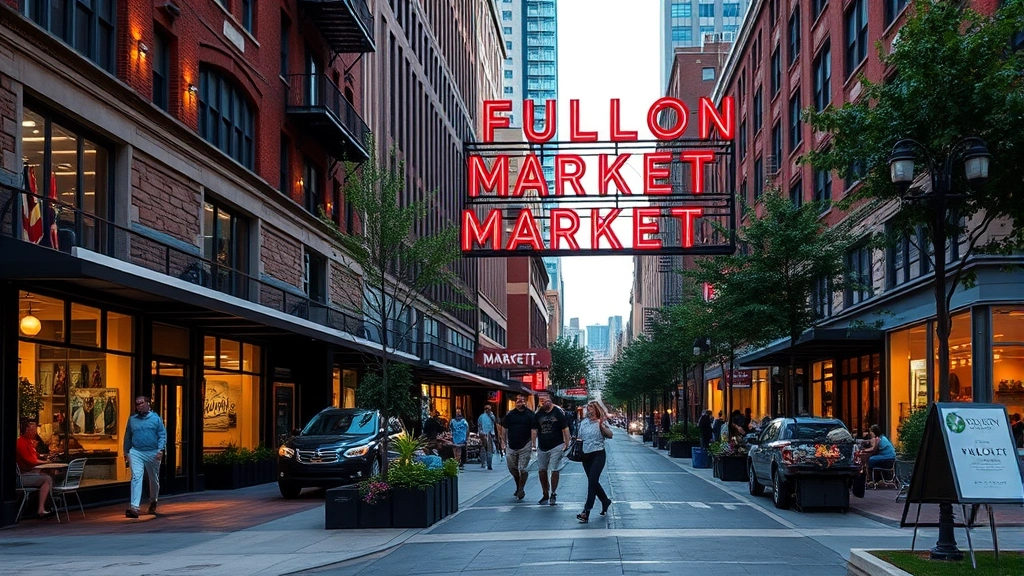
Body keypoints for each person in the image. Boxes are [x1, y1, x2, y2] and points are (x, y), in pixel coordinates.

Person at [124, 396, 167, 518]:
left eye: (142, 403)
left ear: (148, 404)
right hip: (136, 451)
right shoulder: (132, 420)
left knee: (153, 478)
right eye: (137, 404)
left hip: (152, 452)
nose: (139, 406)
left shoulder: (156, 419)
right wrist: (126, 452)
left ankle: (153, 500)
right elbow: (128, 436)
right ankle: (134, 506)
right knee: (137, 477)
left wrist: (160, 450)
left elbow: (162, 434)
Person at [576, 401, 614, 523]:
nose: (589, 410)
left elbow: (610, 435)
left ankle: (586, 511)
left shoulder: (601, 421)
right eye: (588, 408)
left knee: (592, 482)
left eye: (591, 408)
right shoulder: (583, 422)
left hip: (598, 454)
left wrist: (601, 426)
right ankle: (605, 501)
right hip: (586, 455)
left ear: (597, 410)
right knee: (593, 482)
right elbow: (579, 437)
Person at [532, 393, 570, 506]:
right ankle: (545, 492)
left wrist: (566, 443)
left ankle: (553, 493)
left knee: (554, 469)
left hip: (556, 445)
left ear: (551, 401)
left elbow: (565, 428)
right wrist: (534, 444)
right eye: (543, 401)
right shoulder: (538, 414)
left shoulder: (558, 413)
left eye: (547, 400)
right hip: (542, 446)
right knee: (542, 470)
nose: (545, 402)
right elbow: (534, 430)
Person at [16, 421, 54, 518]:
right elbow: (32, 461)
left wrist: (44, 457)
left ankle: (47, 506)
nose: (35, 433)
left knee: (47, 476)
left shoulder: (29, 442)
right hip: (21, 477)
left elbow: (35, 456)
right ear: (26, 430)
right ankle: (41, 508)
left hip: (28, 472)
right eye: (32, 430)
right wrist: (46, 462)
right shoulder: (21, 443)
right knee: (47, 479)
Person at [502, 394, 535, 500]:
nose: (520, 402)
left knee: (523, 468)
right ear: (515, 403)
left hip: (525, 444)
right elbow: (504, 428)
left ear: (525, 402)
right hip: (511, 445)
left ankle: (521, 489)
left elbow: (533, 430)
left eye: (522, 401)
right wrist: (503, 442)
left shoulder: (530, 414)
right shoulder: (510, 415)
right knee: (512, 468)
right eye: (518, 401)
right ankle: (518, 486)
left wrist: (533, 443)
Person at [477, 405, 497, 470]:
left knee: (489, 450)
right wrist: (481, 433)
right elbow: (479, 426)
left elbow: (494, 421)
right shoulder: (481, 417)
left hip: (490, 434)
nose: (489, 410)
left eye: (490, 409)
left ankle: (489, 464)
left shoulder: (491, 416)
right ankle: (483, 463)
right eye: (488, 409)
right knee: (483, 449)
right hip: (484, 434)